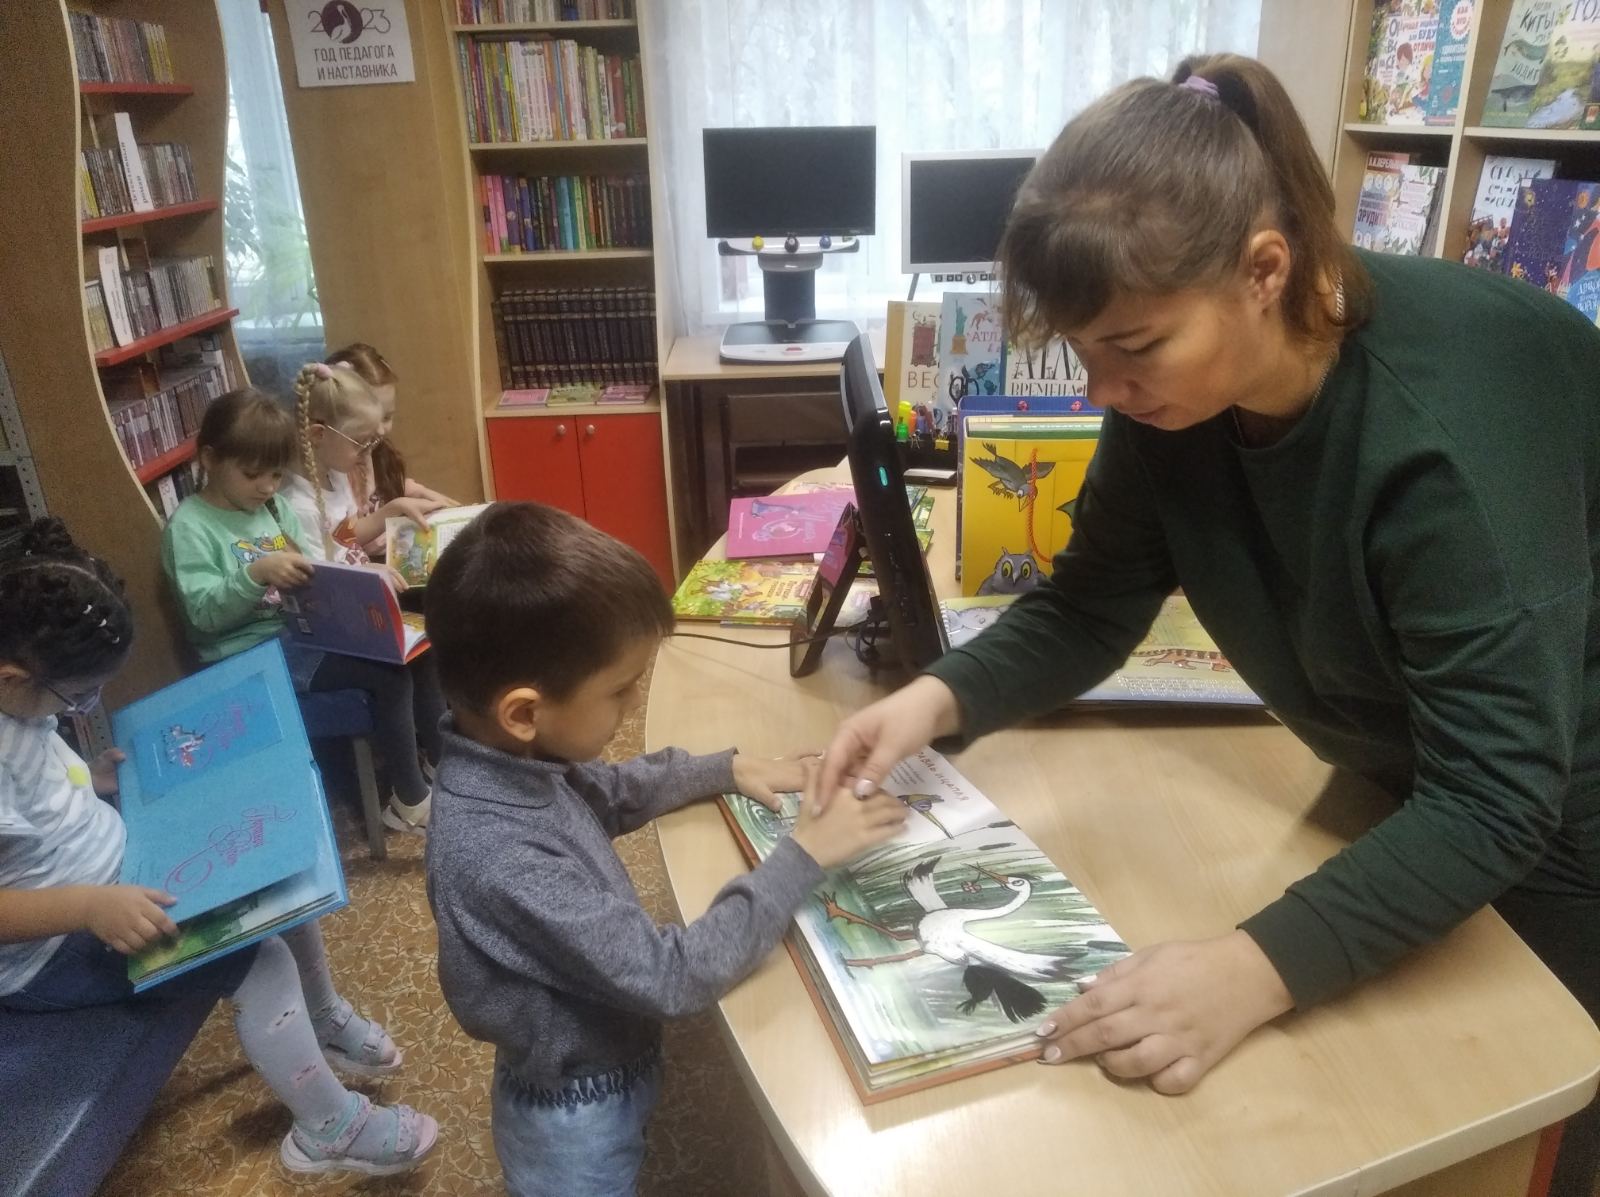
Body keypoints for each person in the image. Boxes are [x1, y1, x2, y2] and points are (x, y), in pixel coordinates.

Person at [817, 52, 1600, 1196]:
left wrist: (1251, 967)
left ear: (1264, 271)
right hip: (1432, 772)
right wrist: (933, 702)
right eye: (1083, 353)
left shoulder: (1441, 439)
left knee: (1525, 1123)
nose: (1103, 392)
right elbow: (1093, 602)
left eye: (1133, 349)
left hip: (1567, 804)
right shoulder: (1176, 398)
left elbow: (1498, 794)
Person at [422, 501, 907, 1196]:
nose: (631, 707)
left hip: (606, 1058)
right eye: (622, 691)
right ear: (524, 712)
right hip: (574, 1115)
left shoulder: (512, 763)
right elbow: (671, 975)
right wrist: (804, 853)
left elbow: (608, 792)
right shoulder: (500, 854)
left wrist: (727, 768)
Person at [0, 518, 438, 1177]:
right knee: (262, 964)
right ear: (12, 678)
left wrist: (91, 777)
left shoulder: (17, 706)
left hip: (112, 876)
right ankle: (328, 1130)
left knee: (281, 888)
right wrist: (89, 907)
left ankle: (322, 1017)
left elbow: (32, 796)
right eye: (78, 695)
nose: (81, 708)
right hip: (53, 947)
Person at [162, 386, 443, 834]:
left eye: (276, 475)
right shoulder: (190, 526)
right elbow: (203, 615)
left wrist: (364, 576)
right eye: (253, 474)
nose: (268, 487)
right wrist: (256, 575)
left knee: (417, 645)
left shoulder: (272, 507)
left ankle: (443, 765)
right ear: (210, 459)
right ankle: (409, 802)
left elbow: (317, 564)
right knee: (389, 674)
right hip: (250, 656)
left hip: (301, 632)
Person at [324, 342, 457, 559]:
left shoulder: (371, 450)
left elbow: (381, 488)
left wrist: (417, 492)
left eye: (387, 417)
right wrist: (394, 510)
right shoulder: (339, 464)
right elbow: (342, 539)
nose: (380, 430)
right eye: (372, 420)